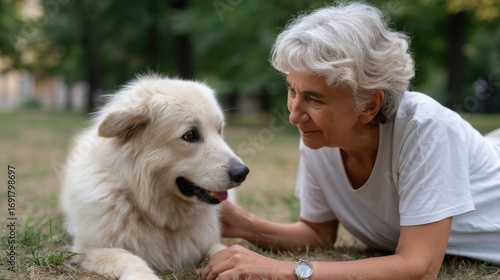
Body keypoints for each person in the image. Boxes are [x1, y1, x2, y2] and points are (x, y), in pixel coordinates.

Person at [198, 2, 500, 279]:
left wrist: (285, 271)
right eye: (292, 91)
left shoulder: (426, 129)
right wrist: (243, 225)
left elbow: (419, 268)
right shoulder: (320, 136)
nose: (294, 115)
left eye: (314, 99)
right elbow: (317, 233)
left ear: (369, 105)